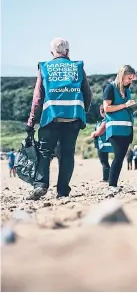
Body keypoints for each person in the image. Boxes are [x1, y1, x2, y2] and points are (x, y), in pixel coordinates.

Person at [25, 38, 92, 200]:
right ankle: (62, 191)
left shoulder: (45, 67)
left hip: (51, 117)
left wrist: (31, 122)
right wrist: (82, 112)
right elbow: (88, 94)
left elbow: (38, 98)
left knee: (44, 152)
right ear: (67, 51)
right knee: (67, 154)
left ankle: (41, 185)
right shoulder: (77, 67)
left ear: (51, 53)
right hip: (73, 118)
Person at [103, 65, 137, 193]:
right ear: (122, 75)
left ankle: (113, 184)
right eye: (129, 78)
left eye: (132, 79)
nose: (130, 81)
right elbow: (107, 108)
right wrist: (124, 105)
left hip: (126, 129)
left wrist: (136, 107)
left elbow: (126, 110)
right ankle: (111, 185)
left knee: (120, 157)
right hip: (115, 129)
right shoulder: (110, 88)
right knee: (119, 156)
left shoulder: (127, 90)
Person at [91, 105, 112, 182]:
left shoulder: (105, 121)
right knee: (108, 162)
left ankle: (106, 178)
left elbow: (98, 133)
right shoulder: (112, 120)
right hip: (111, 144)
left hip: (103, 145)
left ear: (101, 111)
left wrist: (93, 133)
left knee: (104, 162)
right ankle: (110, 177)